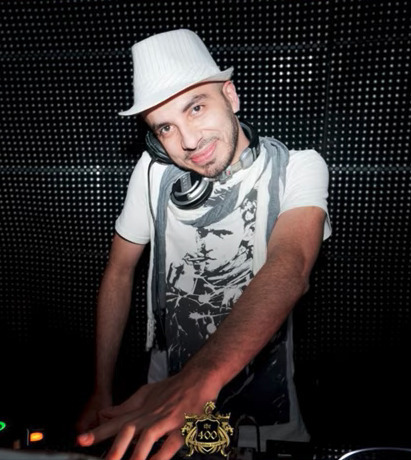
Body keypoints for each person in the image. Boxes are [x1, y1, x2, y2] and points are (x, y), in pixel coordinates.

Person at [76, 29, 331, 460]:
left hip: (263, 426)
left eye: (196, 108)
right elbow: (119, 271)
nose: (189, 141)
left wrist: (201, 376)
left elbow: (290, 265)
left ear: (230, 95)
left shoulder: (299, 168)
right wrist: (101, 389)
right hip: (164, 417)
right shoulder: (153, 173)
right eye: (166, 128)